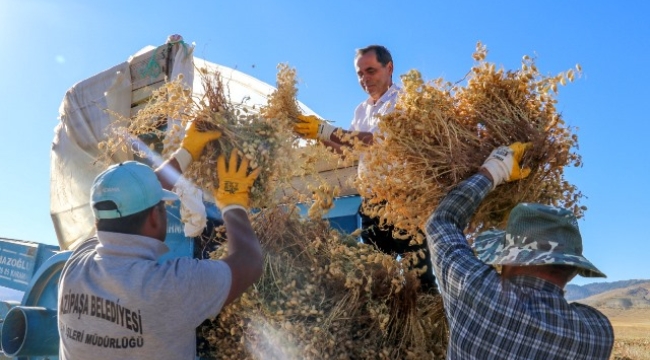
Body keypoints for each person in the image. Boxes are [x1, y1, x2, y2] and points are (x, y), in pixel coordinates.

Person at [57, 123, 263, 359]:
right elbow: (249, 262)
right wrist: (233, 201)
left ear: (98, 223)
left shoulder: (74, 267)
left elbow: (130, 199)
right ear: (155, 217)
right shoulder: (168, 288)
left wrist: (186, 153)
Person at [425, 142, 614, 359]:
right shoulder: (597, 334)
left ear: (509, 257)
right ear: (572, 270)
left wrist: (495, 169)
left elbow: (442, 221)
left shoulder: (476, 290)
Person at [293, 45, 438, 293]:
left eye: (370, 71)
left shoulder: (404, 101)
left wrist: (324, 130)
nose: (364, 79)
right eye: (360, 73)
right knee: (378, 279)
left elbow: (375, 141)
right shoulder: (360, 111)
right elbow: (349, 150)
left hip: (403, 203)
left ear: (389, 68)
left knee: (419, 278)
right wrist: (316, 136)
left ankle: (430, 324)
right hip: (372, 204)